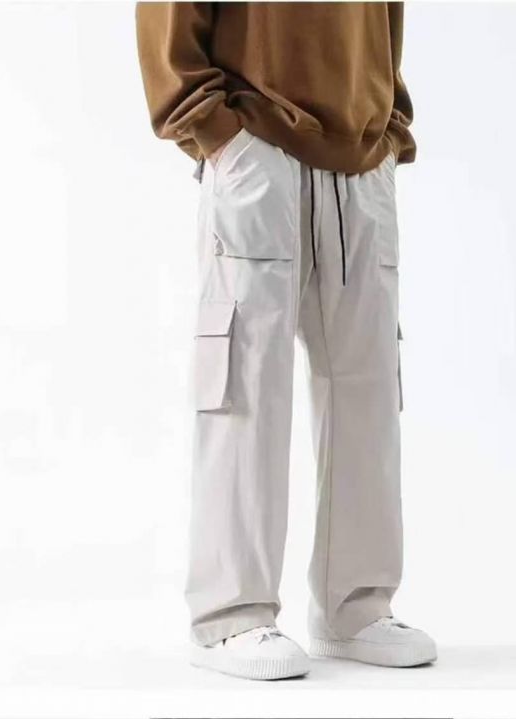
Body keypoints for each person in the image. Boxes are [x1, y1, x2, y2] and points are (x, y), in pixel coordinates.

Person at [135, 1, 437, 680]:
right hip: (256, 142)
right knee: (246, 382)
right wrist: (214, 129)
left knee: (368, 391)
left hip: (362, 156)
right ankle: (230, 617)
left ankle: (356, 607)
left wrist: (389, 125)